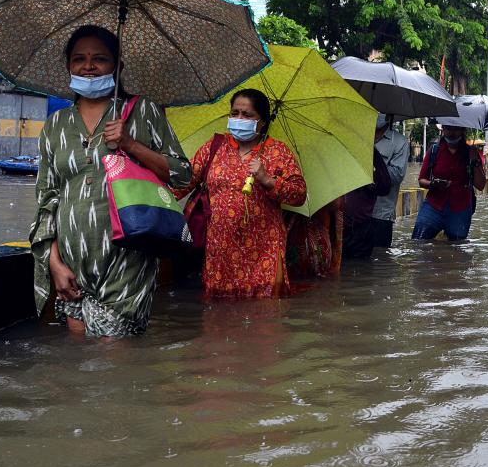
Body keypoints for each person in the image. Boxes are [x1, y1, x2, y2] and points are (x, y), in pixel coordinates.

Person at [30, 25, 193, 337]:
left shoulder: (142, 111)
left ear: (118, 67)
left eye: (99, 59)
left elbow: (182, 173)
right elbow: (46, 200)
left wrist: (131, 144)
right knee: (80, 364)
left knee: (113, 360)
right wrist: (55, 265)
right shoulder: (55, 125)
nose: (88, 66)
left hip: (127, 256)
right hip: (72, 260)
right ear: (68, 66)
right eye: (79, 59)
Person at [174, 89, 306, 298]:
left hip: (264, 251)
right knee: (219, 316)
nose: (239, 119)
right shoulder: (214, 147)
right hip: (220, 251)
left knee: (264, 316)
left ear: (261, 121)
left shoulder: (278, 152)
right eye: (235, 113)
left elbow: (299, 195)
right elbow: (182, 183)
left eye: (247, 115)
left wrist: (268, 180)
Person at [412, 125, 487, 241]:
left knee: (457, 250)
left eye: (456, 129)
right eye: (448, 129)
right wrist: (434, 184)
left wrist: (475, 161)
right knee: (418, 243)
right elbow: (421, 180)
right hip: (433, 206)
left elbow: (480, 185)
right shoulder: (434, 151)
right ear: (443, 130)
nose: (451, 133)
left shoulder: (471, 153)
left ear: (462, 131)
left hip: (460, 209)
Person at [342, 148, 392, 258]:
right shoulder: (335, 158)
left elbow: (384, 187)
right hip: (337, 228)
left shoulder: (369, 155)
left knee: (359, 268)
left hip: (360, 231)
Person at [370, 113, 411, 248]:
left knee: (379, 260)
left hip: (381, 213)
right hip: (356, 211)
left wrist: (374, 167)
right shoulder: (358, 136)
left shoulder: (400, 142)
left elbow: (397, 175)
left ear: (388, 115)